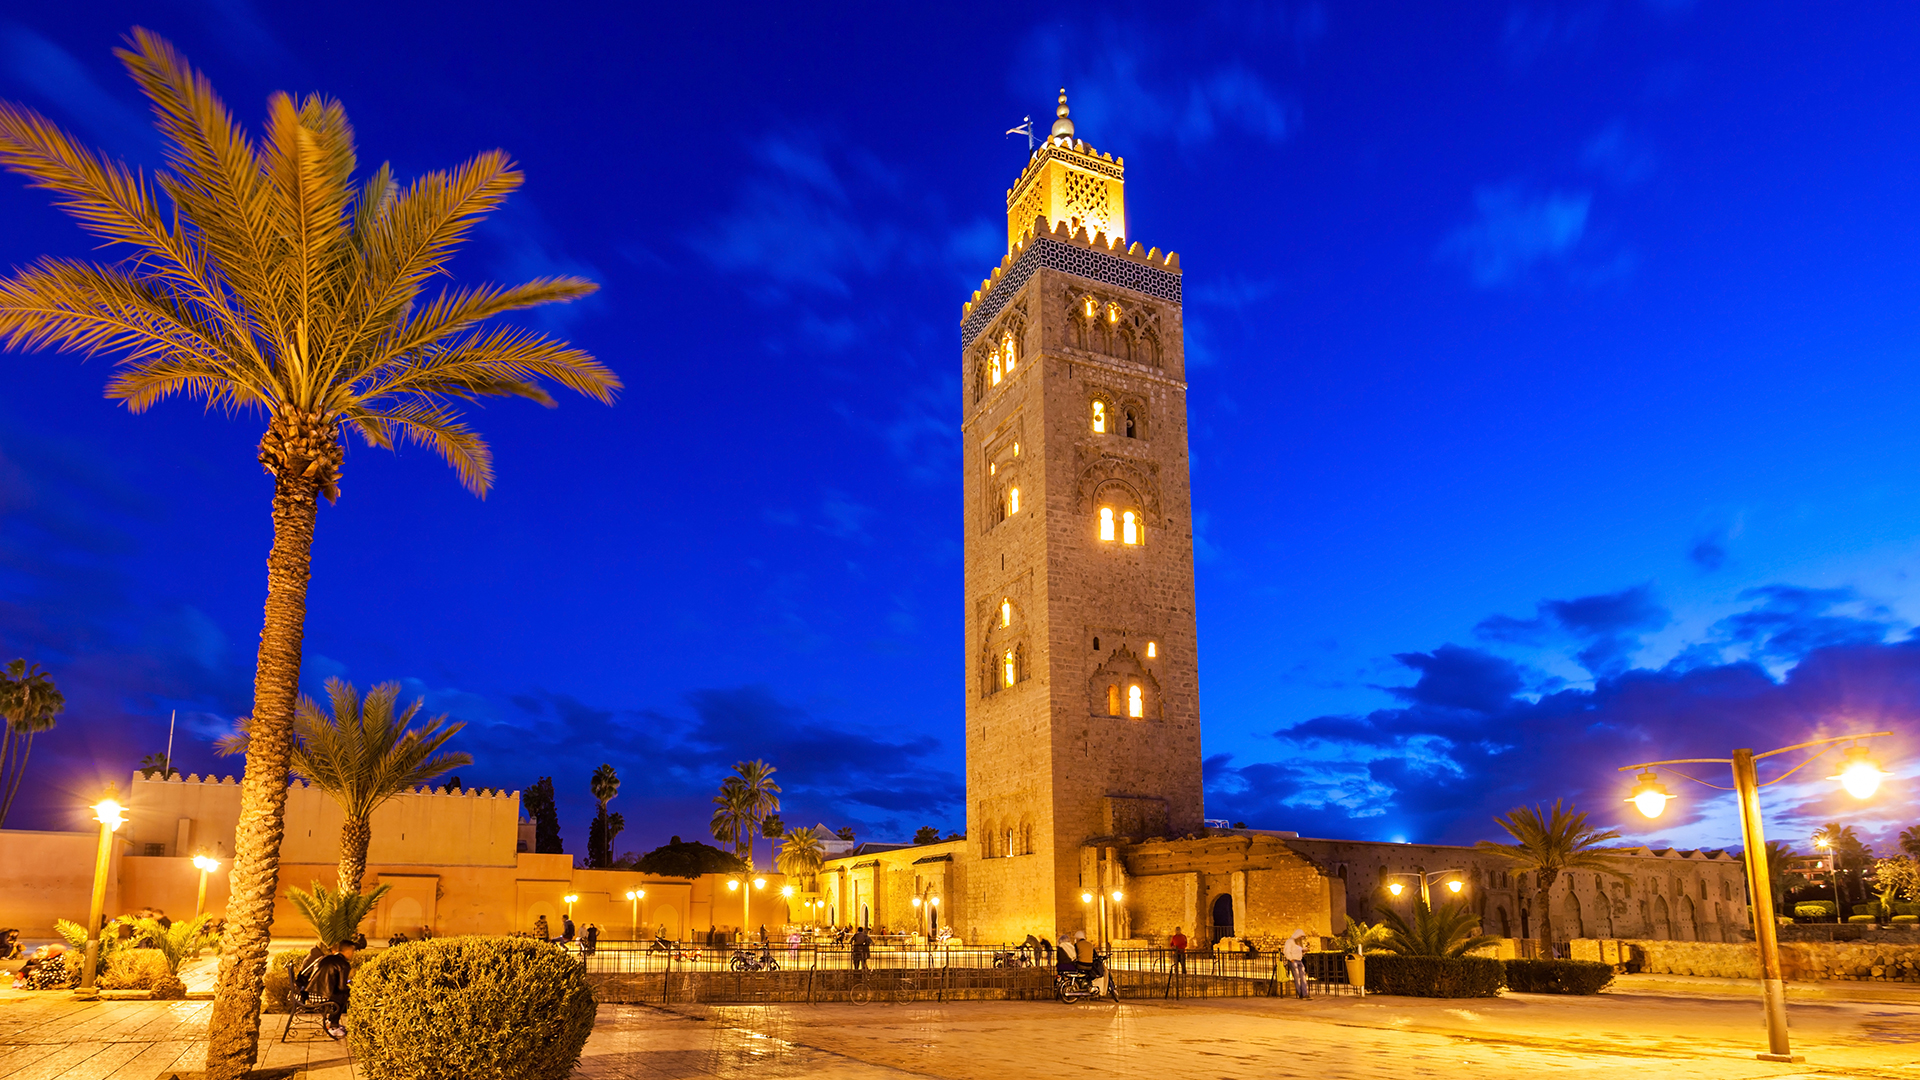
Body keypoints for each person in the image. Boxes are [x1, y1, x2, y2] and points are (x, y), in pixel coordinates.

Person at [310, 940, 356, 1039]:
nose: (353, 954)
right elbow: (341, 987)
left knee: (340, 994)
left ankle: (331, 1022)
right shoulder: (344, 964)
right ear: (347, 951)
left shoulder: (327, 957)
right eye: (353, 951)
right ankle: (333, 1026)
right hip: (321, 996)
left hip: (312, 992)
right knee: (344, 995)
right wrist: (352, 985)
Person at [1282, 928, 1310, 1000]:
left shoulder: (1298, 943)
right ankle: (1301, 994)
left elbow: (1298, 951)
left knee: (1303, 978)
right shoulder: (1290, 942)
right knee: (1297, 978)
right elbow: (1287, 951)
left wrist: (1304, 951)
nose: (1301, 938)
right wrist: (1291, 959)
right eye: (1301, 936)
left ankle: (1305, 994)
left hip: (1299, 961)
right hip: (1294, 961)